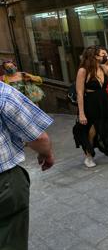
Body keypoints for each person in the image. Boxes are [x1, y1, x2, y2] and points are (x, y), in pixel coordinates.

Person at [0, 81, 55, 250]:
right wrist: (46, 154)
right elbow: (38, 138)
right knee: (10, 238)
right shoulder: (3, 93)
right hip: (4, 182)